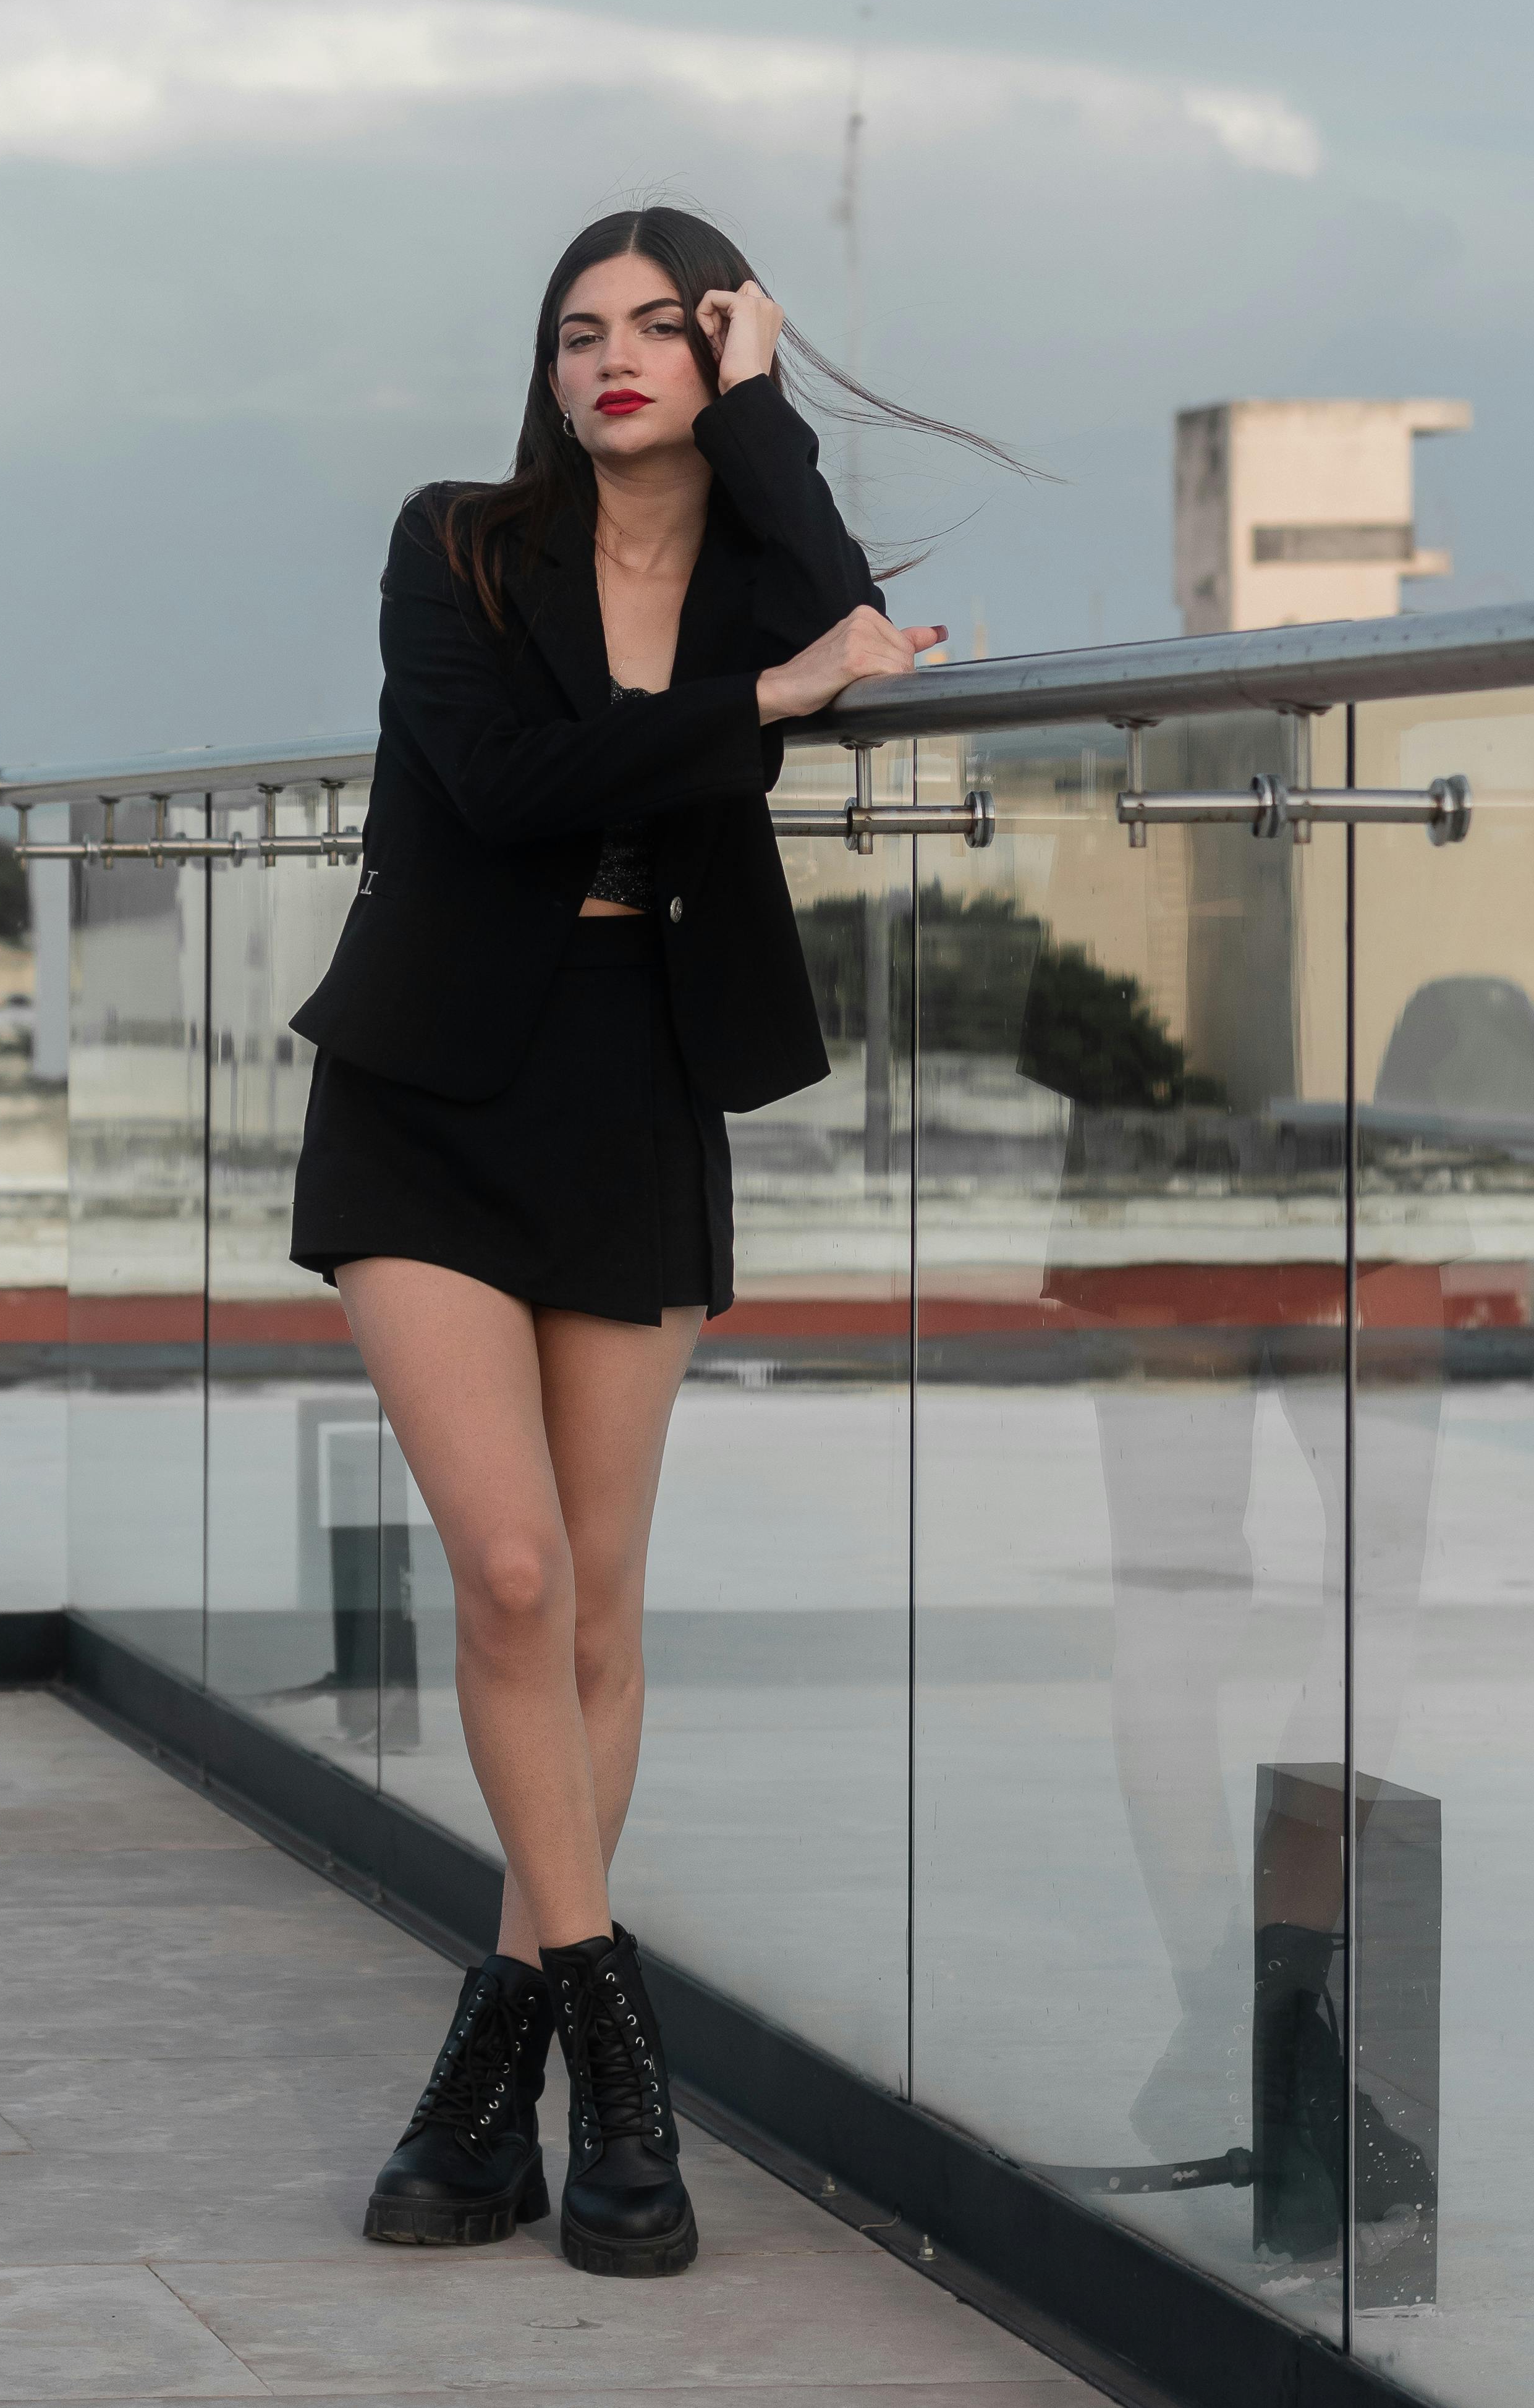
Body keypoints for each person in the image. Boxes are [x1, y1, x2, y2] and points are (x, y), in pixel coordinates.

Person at [288, 205, 968, 2277]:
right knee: (502, 1564)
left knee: (590, 1604)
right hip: (426, 1090)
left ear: (719, 351)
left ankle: (491, 2087)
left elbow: (852, 612)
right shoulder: (458, 543)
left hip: (637, 1086)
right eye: (578, 330)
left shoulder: (769, 561)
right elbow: (500, 786)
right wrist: (765, 695)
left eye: (662, 331)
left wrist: (769, 408)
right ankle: (621, 2055)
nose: (611, 361)